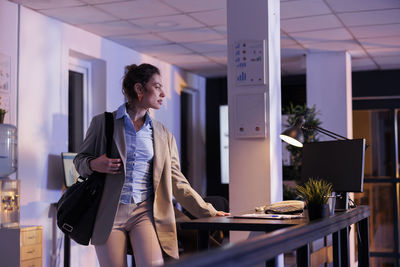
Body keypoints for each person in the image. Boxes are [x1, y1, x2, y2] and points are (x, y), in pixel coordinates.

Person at [74, 63, 229, 267]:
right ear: (139, 89)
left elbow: (176, 180)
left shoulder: (163, 134)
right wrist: (95, 164)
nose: (163, 93)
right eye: (157, 86)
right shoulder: (103, 123)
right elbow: (79, 162)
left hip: (144, 213)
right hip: (108, 213)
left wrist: (206, 210)